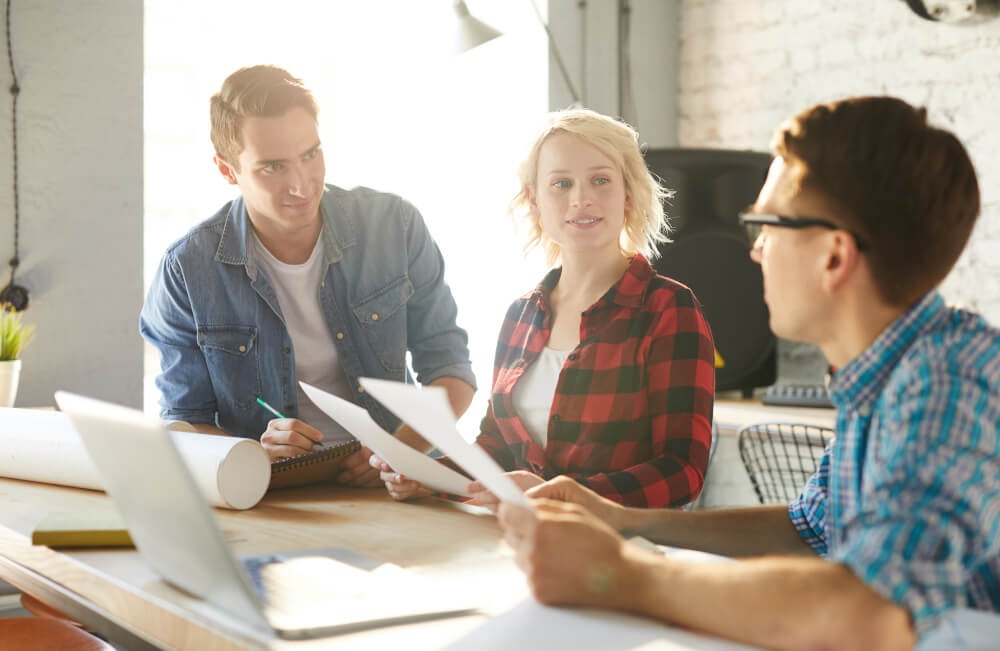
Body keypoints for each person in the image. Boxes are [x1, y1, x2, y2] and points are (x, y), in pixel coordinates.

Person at [497, 95, 1000, 649]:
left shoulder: (946, 381)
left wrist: (619, 573)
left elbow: (872, 614)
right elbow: (807, 532)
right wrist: (620, 520)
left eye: (765, 225)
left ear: (833, 257)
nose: (755, 252)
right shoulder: (879, 380)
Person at [140, 65, 476, 485]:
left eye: (310, 154)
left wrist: (397, 453)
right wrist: (252, 453)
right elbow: (184, 423)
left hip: (397, 486)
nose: (301, 184)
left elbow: (452, 369)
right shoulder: (188, 269)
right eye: (272, 168)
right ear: (227, 170)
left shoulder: (395, 226)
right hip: (272, 494)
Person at [375, 109, 716, 508]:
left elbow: (681, 473)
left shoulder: (668, 309)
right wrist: (425, 477)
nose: (581, 198)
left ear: (629, 193)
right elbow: (495, 448)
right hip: (516, 540)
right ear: (534, 201)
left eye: (601, 180)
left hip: (620, 548)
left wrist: (557, 494)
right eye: (561, 184)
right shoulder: (521, 315)